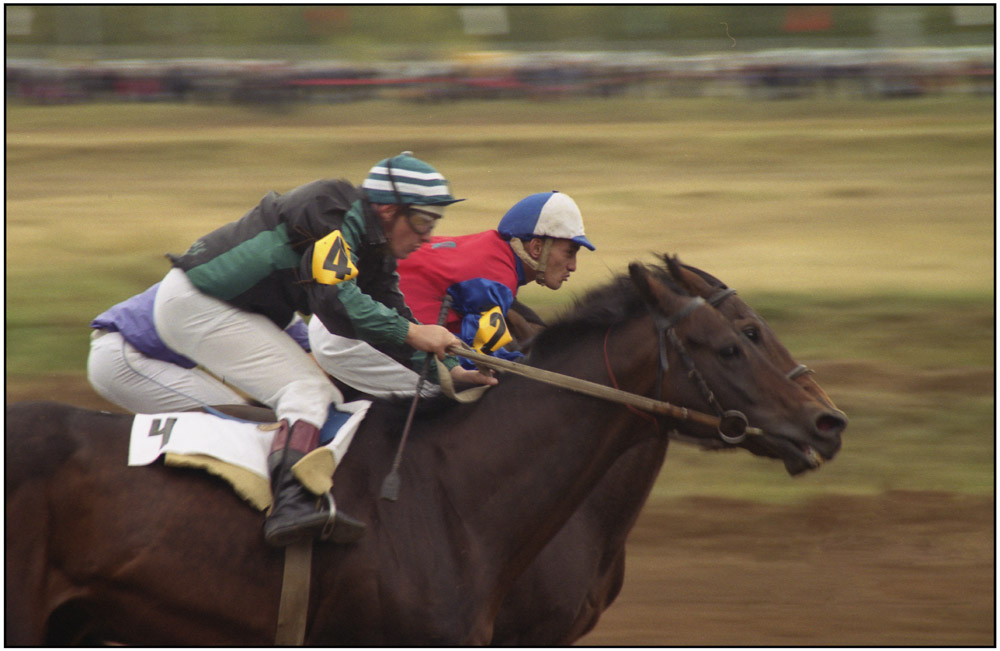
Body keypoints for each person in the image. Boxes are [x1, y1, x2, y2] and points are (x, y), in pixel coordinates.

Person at [152, 152, 496, 547]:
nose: (427, 236)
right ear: (386, 209)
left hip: (230, 308)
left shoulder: (374, 249)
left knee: (319, 393)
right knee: (309, 392)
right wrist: (414, 334)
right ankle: (289, 506)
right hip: (198, 304)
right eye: (421, 221)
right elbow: (336, 304)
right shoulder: (328, 210)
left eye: (434, 224)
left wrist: (447, 372)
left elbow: (391, 317)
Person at [308, 190, 595, 396]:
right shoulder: (496, 276)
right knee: (462, 388)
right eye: (569, 252)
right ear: (536, 248)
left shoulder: (491, 253)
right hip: (350, 332)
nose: (573, 265)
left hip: (344, 321)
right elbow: (483, 360)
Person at [88, 282, 310, 413]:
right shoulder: (265, 293)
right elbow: (315, 363)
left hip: (126, 353)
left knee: (239, 413)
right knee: (241, 419)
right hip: (126, 358)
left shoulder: (238, 271)